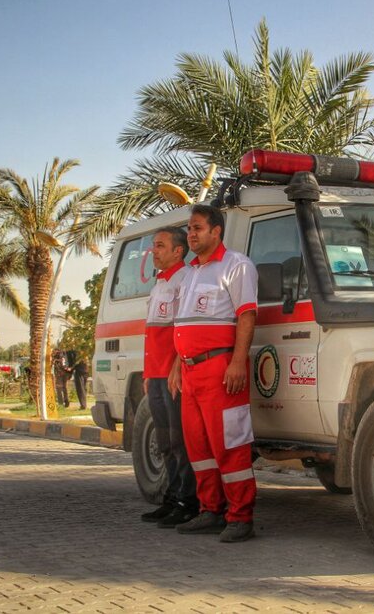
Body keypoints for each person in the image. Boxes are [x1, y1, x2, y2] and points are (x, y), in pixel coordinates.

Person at [170, 205, 258, 543]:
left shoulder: (236, 265)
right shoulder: (191, 271)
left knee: (230, 445)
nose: (191, 234)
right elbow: (185, 324)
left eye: (197, 228)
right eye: (189, 229)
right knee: (199, 447)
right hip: (190, 373)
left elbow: (246, 316)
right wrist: (179, 363)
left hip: (221, 369)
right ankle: (210, 510)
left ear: (216, 231)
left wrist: (238, 362)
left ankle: (240, 517)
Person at [140, 226, 199, 529]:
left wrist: (176, 366)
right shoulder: (158, 284)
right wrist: (148, 374)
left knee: (180, 440)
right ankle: (170, 497)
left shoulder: (185, 279)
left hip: (174, 375)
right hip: (156, 375)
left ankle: (187, 502)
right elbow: (152, 334)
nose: (154, 251)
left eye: (160, 246)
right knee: (164, 441)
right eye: (153, 246)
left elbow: (184, 328)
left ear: (178, 250)